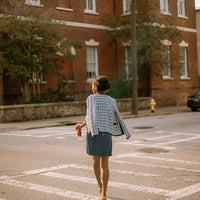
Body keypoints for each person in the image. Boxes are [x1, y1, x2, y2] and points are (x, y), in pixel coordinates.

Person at [75, 75, 131, 200]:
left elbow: (90, 116)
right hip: (106, 134)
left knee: (95, 162)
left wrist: (81, 125)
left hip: (94, 132)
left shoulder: (91, 98)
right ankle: (104, 194)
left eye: (92, 85)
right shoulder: (112, 100)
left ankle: (99, 185)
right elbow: (115, 117)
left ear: (95, 87)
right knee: (105, 165)